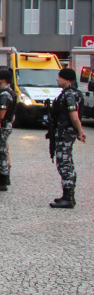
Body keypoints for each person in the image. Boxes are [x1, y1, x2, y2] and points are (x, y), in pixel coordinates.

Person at [49, 68, 87, 209]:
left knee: (65, 164)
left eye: (59, 77)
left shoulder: (70, 94)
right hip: (64, 132)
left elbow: (74, 116)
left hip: (65, 132)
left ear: (67, 79)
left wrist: (80, 131)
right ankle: (68, 195)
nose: (57, 79)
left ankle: (68, 197)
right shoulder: (71, 93)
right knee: (65, 162)